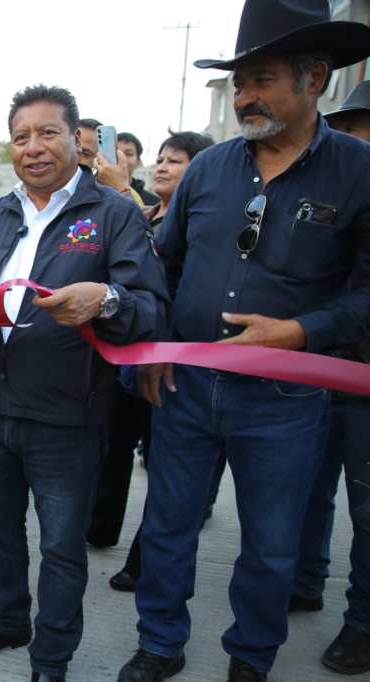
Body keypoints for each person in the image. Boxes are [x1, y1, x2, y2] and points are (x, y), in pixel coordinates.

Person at [117, 1, 370, 680]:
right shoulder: (209, 169)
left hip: (285, 398)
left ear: (314, 78)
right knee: (167, 525)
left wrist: (299, 332)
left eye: (261, 80)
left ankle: (251, 658)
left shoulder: (358, 172)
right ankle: (159, 644)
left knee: (271, 542)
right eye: (238, 83)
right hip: (186, 386)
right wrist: (157, 349)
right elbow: (162, 265)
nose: (244, 97)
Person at [0, 84, 168, 682]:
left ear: (76, 140)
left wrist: (105, 299)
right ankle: (9, 621)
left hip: (69, 416)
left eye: (47, 133)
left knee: (61, 549)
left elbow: (150, 308)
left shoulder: (112, 213)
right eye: (20, 137)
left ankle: (51, 658)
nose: (33, 147)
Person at [99, 130, 215, 593]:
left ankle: (143, 560)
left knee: (164, 467)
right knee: (114, 448)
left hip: (172, 363)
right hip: (131, 359)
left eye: (176, 161)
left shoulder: (195, 225)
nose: (162, 167)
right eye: (161, 159)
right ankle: (101, 526)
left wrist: (120, 190)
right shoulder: (145, 212)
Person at [289, 78, 370, 676]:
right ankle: (304, 581)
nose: (350, 141)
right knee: (307, 488)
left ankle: (363, 622)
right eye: (344, 129)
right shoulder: (324, 193)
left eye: (360, 131)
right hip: (313, 370)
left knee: (366, 508)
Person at [116, 132, 160, 205]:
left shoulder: (154, 204)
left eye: (128, 154)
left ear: (138, 162)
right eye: (116, 153)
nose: (121, 158)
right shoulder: (95, 194)